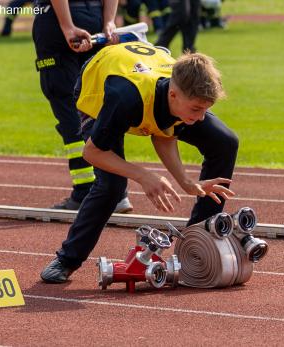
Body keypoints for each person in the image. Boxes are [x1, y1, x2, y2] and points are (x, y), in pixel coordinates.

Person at [40, 41, 238, 283]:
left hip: (147, 78)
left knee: (225, 142)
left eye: (206, 110)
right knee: (112, 186)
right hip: (99, 89)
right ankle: (67, 259)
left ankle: (195, 245)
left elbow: (163, 133)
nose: (200, 118)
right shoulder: (123, 98)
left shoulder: (179, 93)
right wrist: (143, 175)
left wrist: (186, 183)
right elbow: (92, 153)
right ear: (174, 95)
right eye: (196, 109)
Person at [32, 0, 133, 212]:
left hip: (58, 22)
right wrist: (108, 22)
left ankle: (86, 191)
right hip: (96, 18)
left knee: (69, 109)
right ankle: (117, 191)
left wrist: (67, 26)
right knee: (100, 106)